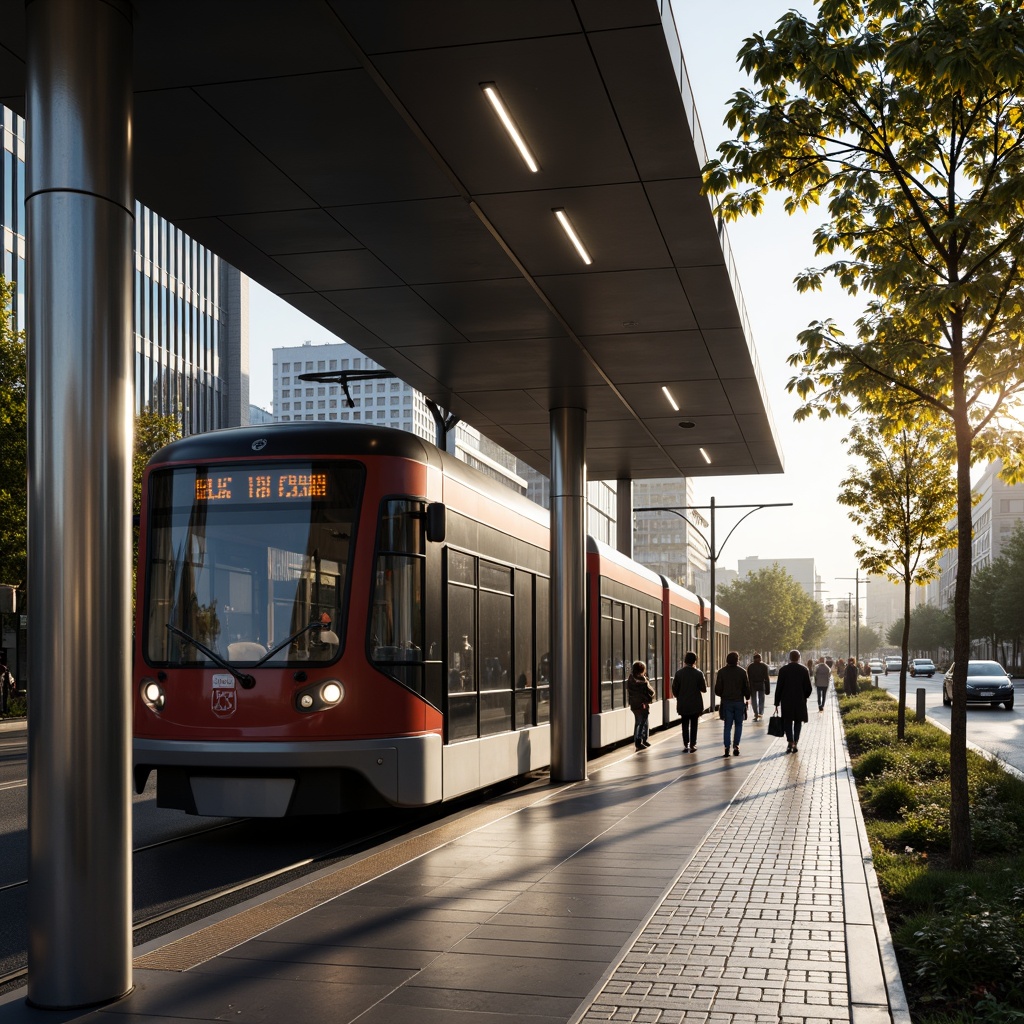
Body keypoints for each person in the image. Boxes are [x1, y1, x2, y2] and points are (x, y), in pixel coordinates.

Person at [774, 649, 812, 753]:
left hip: (786, 700)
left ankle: (790, 741)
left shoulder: (783, 670)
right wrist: (804, 696)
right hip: (799, 700)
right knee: (798, 721)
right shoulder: (804, 670)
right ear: (799, 657)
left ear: (789, 658)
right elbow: (809, 688)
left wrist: (777, 702)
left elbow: (779, 687)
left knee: (787, 721)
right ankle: (796, 741)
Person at [714, 651, 749, 757]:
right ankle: (736, 745)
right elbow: (746, 688)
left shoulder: (722, 672)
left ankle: (726, 747)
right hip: (739, 701)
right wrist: (747, 697)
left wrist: (722, 694)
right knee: (739, 724)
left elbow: (717, 689)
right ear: (737, 660)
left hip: (726, 702)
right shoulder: (742, 672)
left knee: (727, 726)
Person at [672, 651, 707, 752]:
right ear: (695, 661)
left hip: (683, 703)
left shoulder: (678, 674)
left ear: (685, 660)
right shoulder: (699, 673)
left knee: (684, 724)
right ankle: (693, 744)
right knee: (694, 724)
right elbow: (704, 689)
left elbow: (674, 690)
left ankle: (685, 743)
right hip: (695, 704)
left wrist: (680, 696)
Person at [627, 660, 655, 751]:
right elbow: (650, 692)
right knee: (642, 722)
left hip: (634, 705)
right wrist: (648, 699)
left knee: (641, 722)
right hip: (642, 704)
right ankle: (639, 741)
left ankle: (643, 740)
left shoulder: (630, 679)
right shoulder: (643, 681)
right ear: (642, 670)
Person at [746, 653, 770, 721]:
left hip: (753, 684)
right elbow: (767, 678)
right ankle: (760, 713)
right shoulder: (764, 666)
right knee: (761, 699)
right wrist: (767, 688)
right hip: (761, 684)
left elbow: (748, 678)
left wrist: (748, 687)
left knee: (754, 700)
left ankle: (756, 713)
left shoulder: (750, 666)